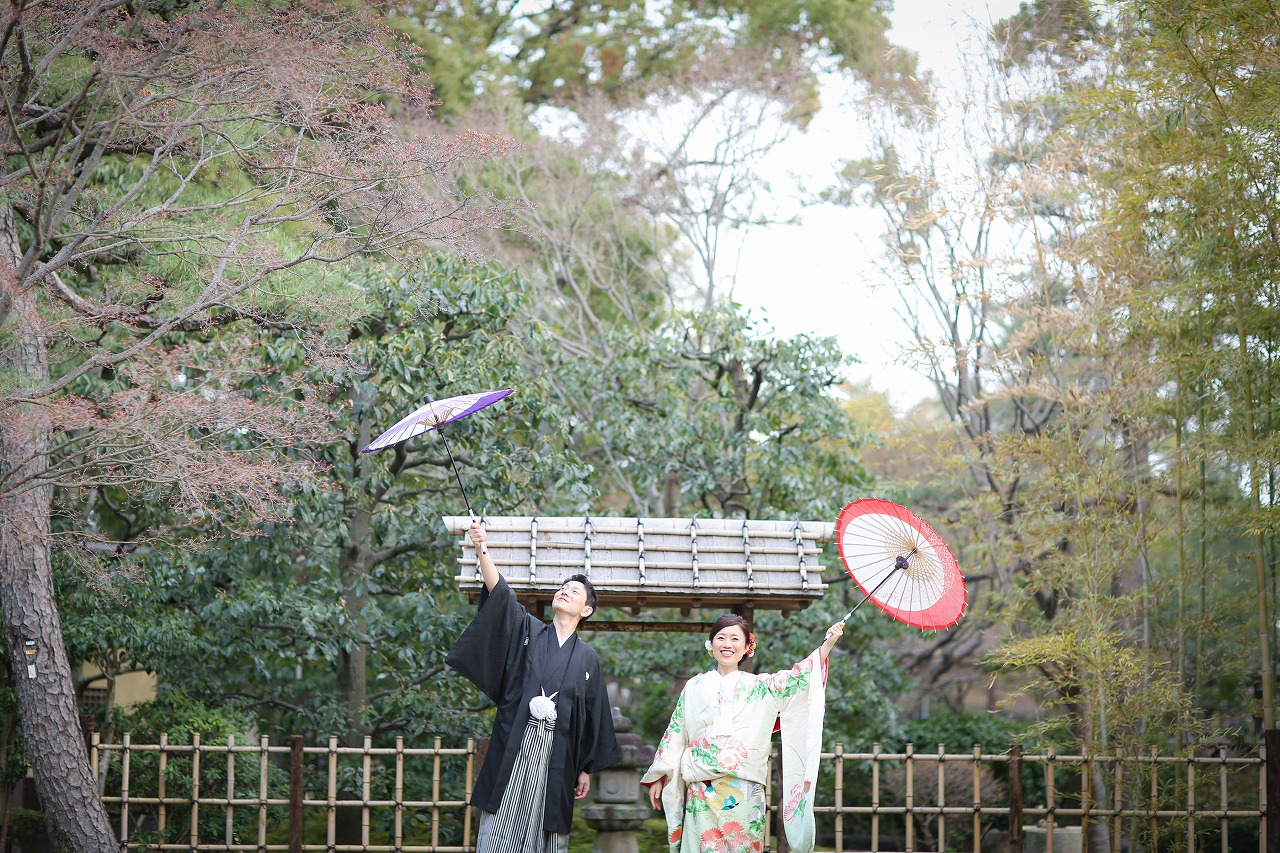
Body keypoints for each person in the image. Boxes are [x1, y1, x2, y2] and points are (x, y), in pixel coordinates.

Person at [446, 521, 620, 853]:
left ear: (586, 610)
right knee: (501, 821)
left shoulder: (588, 659)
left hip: (557, 756)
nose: (565, 591)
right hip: (515, 743)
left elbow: (593, 715)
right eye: (563, 587)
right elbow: (501, 594)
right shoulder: (528, 630)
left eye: (574, 591)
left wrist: (585, 769)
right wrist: (482, 547)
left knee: (545, 827)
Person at [641, 613, 844, 853]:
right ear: (710, 644)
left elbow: (798, 677)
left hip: (745, 790)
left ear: (748, 646)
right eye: (721, 638)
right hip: (702, 791)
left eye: (735, 639)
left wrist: (828, 644)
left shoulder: (762, 686)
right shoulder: (694, 686)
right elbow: (676, 731)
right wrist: (660, 775)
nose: (727, 644)